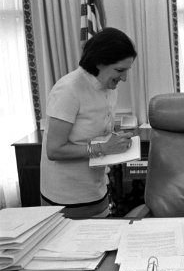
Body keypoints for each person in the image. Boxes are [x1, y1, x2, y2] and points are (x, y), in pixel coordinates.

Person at [40, 27, 137, 218]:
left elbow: (96, 131)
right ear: (100, 63)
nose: (124, 78)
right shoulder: (69, 89)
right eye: (119, 70)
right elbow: (54, 150)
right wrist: (103, 148)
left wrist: (116, 140)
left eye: (127, 70)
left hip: (97, 188)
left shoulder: (109, 87)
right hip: (67, 196)